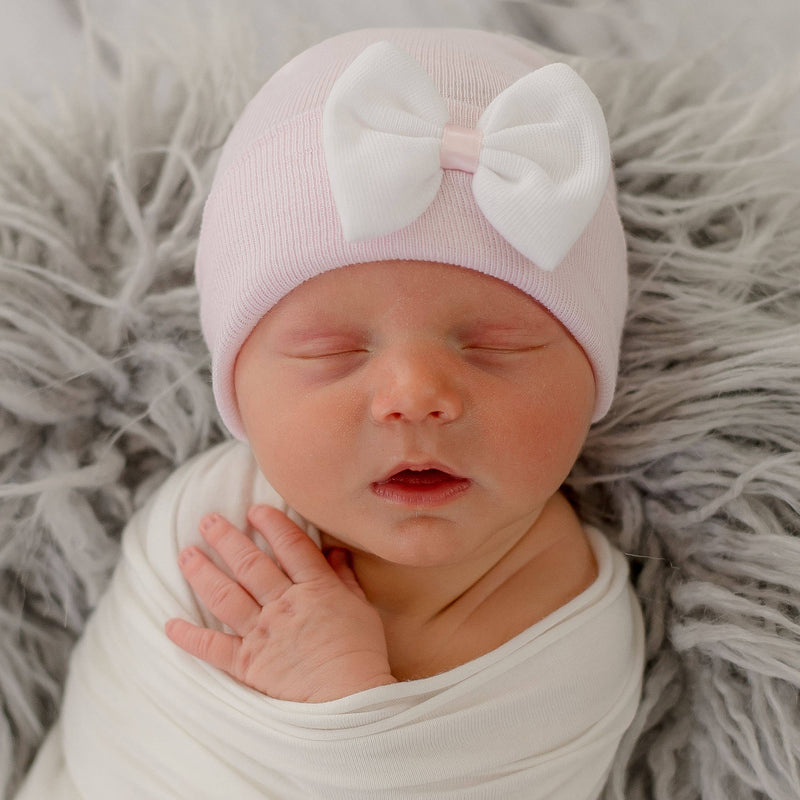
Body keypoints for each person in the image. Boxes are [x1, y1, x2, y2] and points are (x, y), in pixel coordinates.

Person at [15, 27, 644, 800]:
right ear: (238, 389)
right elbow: (110, 747)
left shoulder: (574, 635)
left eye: (496, 345)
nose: (414, 395)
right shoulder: (212, 528)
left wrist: (344, 708)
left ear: (593, 374)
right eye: (330, 351)